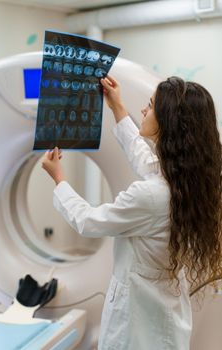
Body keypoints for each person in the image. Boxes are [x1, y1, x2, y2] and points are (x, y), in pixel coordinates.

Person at [42, 75, 222, 350]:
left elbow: (89, 221)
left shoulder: (151, 195)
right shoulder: (190, 180)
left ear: (168, 123)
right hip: (164, 310)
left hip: (138, 321)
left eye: (150, 106)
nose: (143, 110)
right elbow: (144, 158)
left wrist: (59, 179)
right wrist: (117, 107)